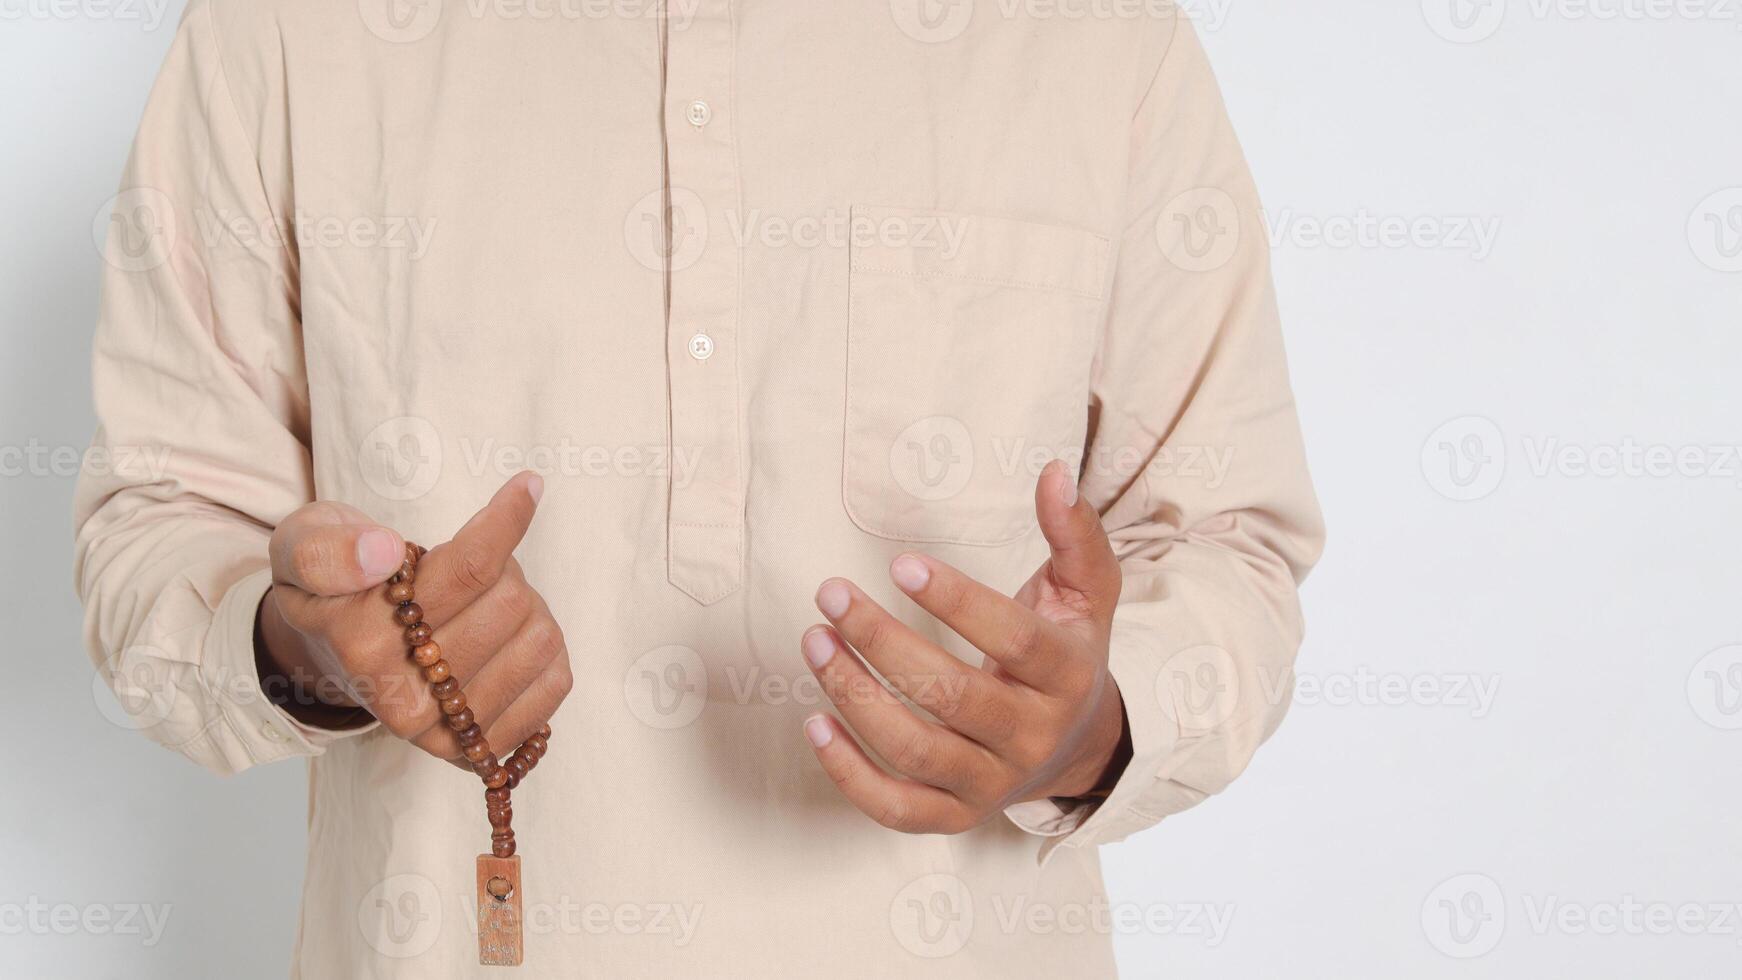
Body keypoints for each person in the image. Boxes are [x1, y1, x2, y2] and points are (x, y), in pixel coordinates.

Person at [75, 1, 1323, 975]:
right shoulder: (278, 30)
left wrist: (1088, 729)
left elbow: (1230, 544)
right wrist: (307, 644)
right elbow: (156, 525)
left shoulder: (1101, 41)